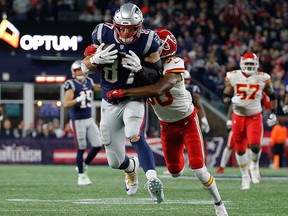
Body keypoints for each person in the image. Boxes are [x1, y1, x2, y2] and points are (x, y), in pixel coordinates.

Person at [106, 28, 228, 216]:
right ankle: (139, 164)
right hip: (166, 125)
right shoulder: (143, 64)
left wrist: (125, 92)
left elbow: (158, 89)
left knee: (199, 169)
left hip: (187, 122)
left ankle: (219, 204)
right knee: (175, 171)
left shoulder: (174, 62)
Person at [81, 3, 164, 203]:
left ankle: (152, 178)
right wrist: (95, 60)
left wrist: (141, 70)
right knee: (114, 161)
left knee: (133, 133)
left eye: (131, 29)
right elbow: (84, 69)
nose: (126, 33)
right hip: (109, 101)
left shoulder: (148, 41)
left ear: (140, 27)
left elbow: (157, 77)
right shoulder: (101, 34)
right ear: (114, 25)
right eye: (122, 28)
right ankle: (131, 168)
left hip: (133, 97)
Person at [222, 51, 278, 190]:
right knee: (240, 149)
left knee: (254, 145)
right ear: (241, 64)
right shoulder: (233, 76)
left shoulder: (262, 78)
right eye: (246, 63)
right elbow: (224, 96)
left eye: (251, 64)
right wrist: (230, 100)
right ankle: (244, 176)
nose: (249, 66)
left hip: (254, 116)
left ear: (257, 65)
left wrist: (274, 113)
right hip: (238, 116)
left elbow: (272, 95)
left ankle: (254, 165)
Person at [63, 60, 103, 186]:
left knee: (97, 145)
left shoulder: (89, 81)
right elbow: (66, 104)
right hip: (77, 120)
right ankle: (81, 176)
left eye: (81, 69)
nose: (80, 72)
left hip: (89, 118)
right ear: (74, 72)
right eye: (78, 70)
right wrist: (77, 100)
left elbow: (101, 89)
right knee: (81, 148)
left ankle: (84, 164)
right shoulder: (71, 84)